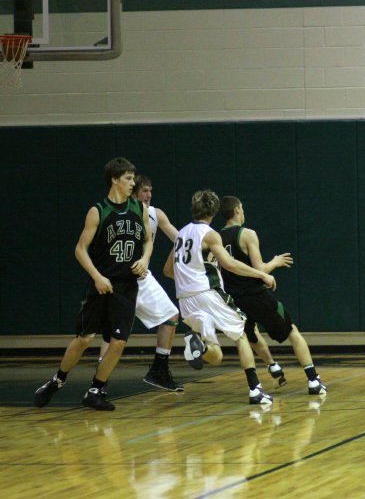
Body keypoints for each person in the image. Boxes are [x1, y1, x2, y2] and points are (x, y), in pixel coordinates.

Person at [33, 157, 153, 411]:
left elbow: (148, 240)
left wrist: (144, 259)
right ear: (114, 180)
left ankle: (96, 389)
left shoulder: (139, 208)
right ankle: (57, 381)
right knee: (85, 339)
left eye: (134, 178)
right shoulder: (98, 210)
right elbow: (80, 249)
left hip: (126, 285)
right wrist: (97, 277)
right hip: (101, 284)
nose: (133, 182)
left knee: (119, 341)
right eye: (128, 178)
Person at [163, 189, 277, 405]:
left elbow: (168, 270)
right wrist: (262, 273)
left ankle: (200, 347)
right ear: (214, 211)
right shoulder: (210, 235)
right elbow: (231, 265)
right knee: (242, 333)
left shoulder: (180, 235)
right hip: (207, 293)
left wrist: (189, 276)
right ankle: (255, 390)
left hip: (185, 300)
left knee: (216, 355)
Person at [218, 196, 326, 395]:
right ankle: (313, 380)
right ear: (237, 211)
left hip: (235, 300)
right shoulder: (247, 234)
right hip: (256, 295)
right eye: (242, 208)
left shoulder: (215, 237)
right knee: (292, 331)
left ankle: (272, 367)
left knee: (249, 336)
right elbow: (260, 269)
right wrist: (275, 262)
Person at [99, 175, 183, 391]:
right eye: (144, 191)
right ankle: (99, 381)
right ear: (133, 193)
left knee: (171, 315)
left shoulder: (155, 214)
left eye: (150, 190)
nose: (149, 195)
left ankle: (159, 370)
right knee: (112, 334)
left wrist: (174, 261)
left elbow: (181, 239)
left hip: (143, 278)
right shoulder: (118, 213)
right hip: (117, 279)